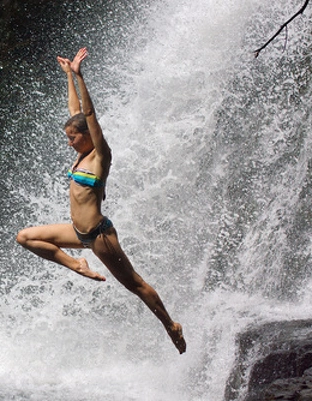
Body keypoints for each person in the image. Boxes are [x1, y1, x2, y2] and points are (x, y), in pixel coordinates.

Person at [16, 47, 186, 354]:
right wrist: (68, 76)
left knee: (135, 284)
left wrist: (81, 77)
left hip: (99, 236)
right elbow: (76, 113)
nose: (69, 141)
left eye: (72, 137)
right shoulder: (82, 152)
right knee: (25, 237)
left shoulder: (100, 156)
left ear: (87, 136)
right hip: (78, 233)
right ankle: (77, 265)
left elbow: (89, 116)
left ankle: (171, 326)